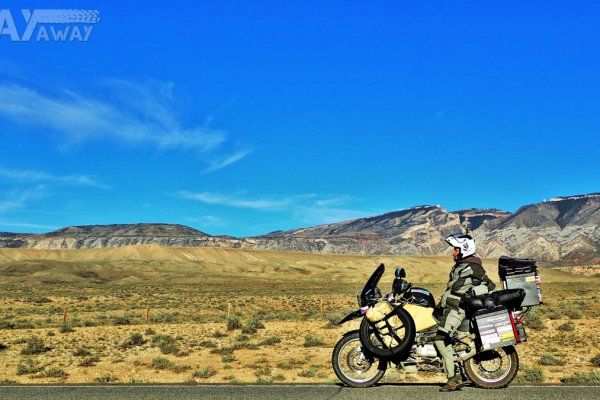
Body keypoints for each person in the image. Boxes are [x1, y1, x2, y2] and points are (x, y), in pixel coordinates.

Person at [435, 231, 495, 392]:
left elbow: (490, 285)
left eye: (455, 249)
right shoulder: (461, 266)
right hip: (448, 307)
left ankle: (453, 378)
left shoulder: (474, 266)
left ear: (464, 249)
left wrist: (471, 294)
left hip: (457, 310)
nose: (453, 252)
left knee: (440, 339)